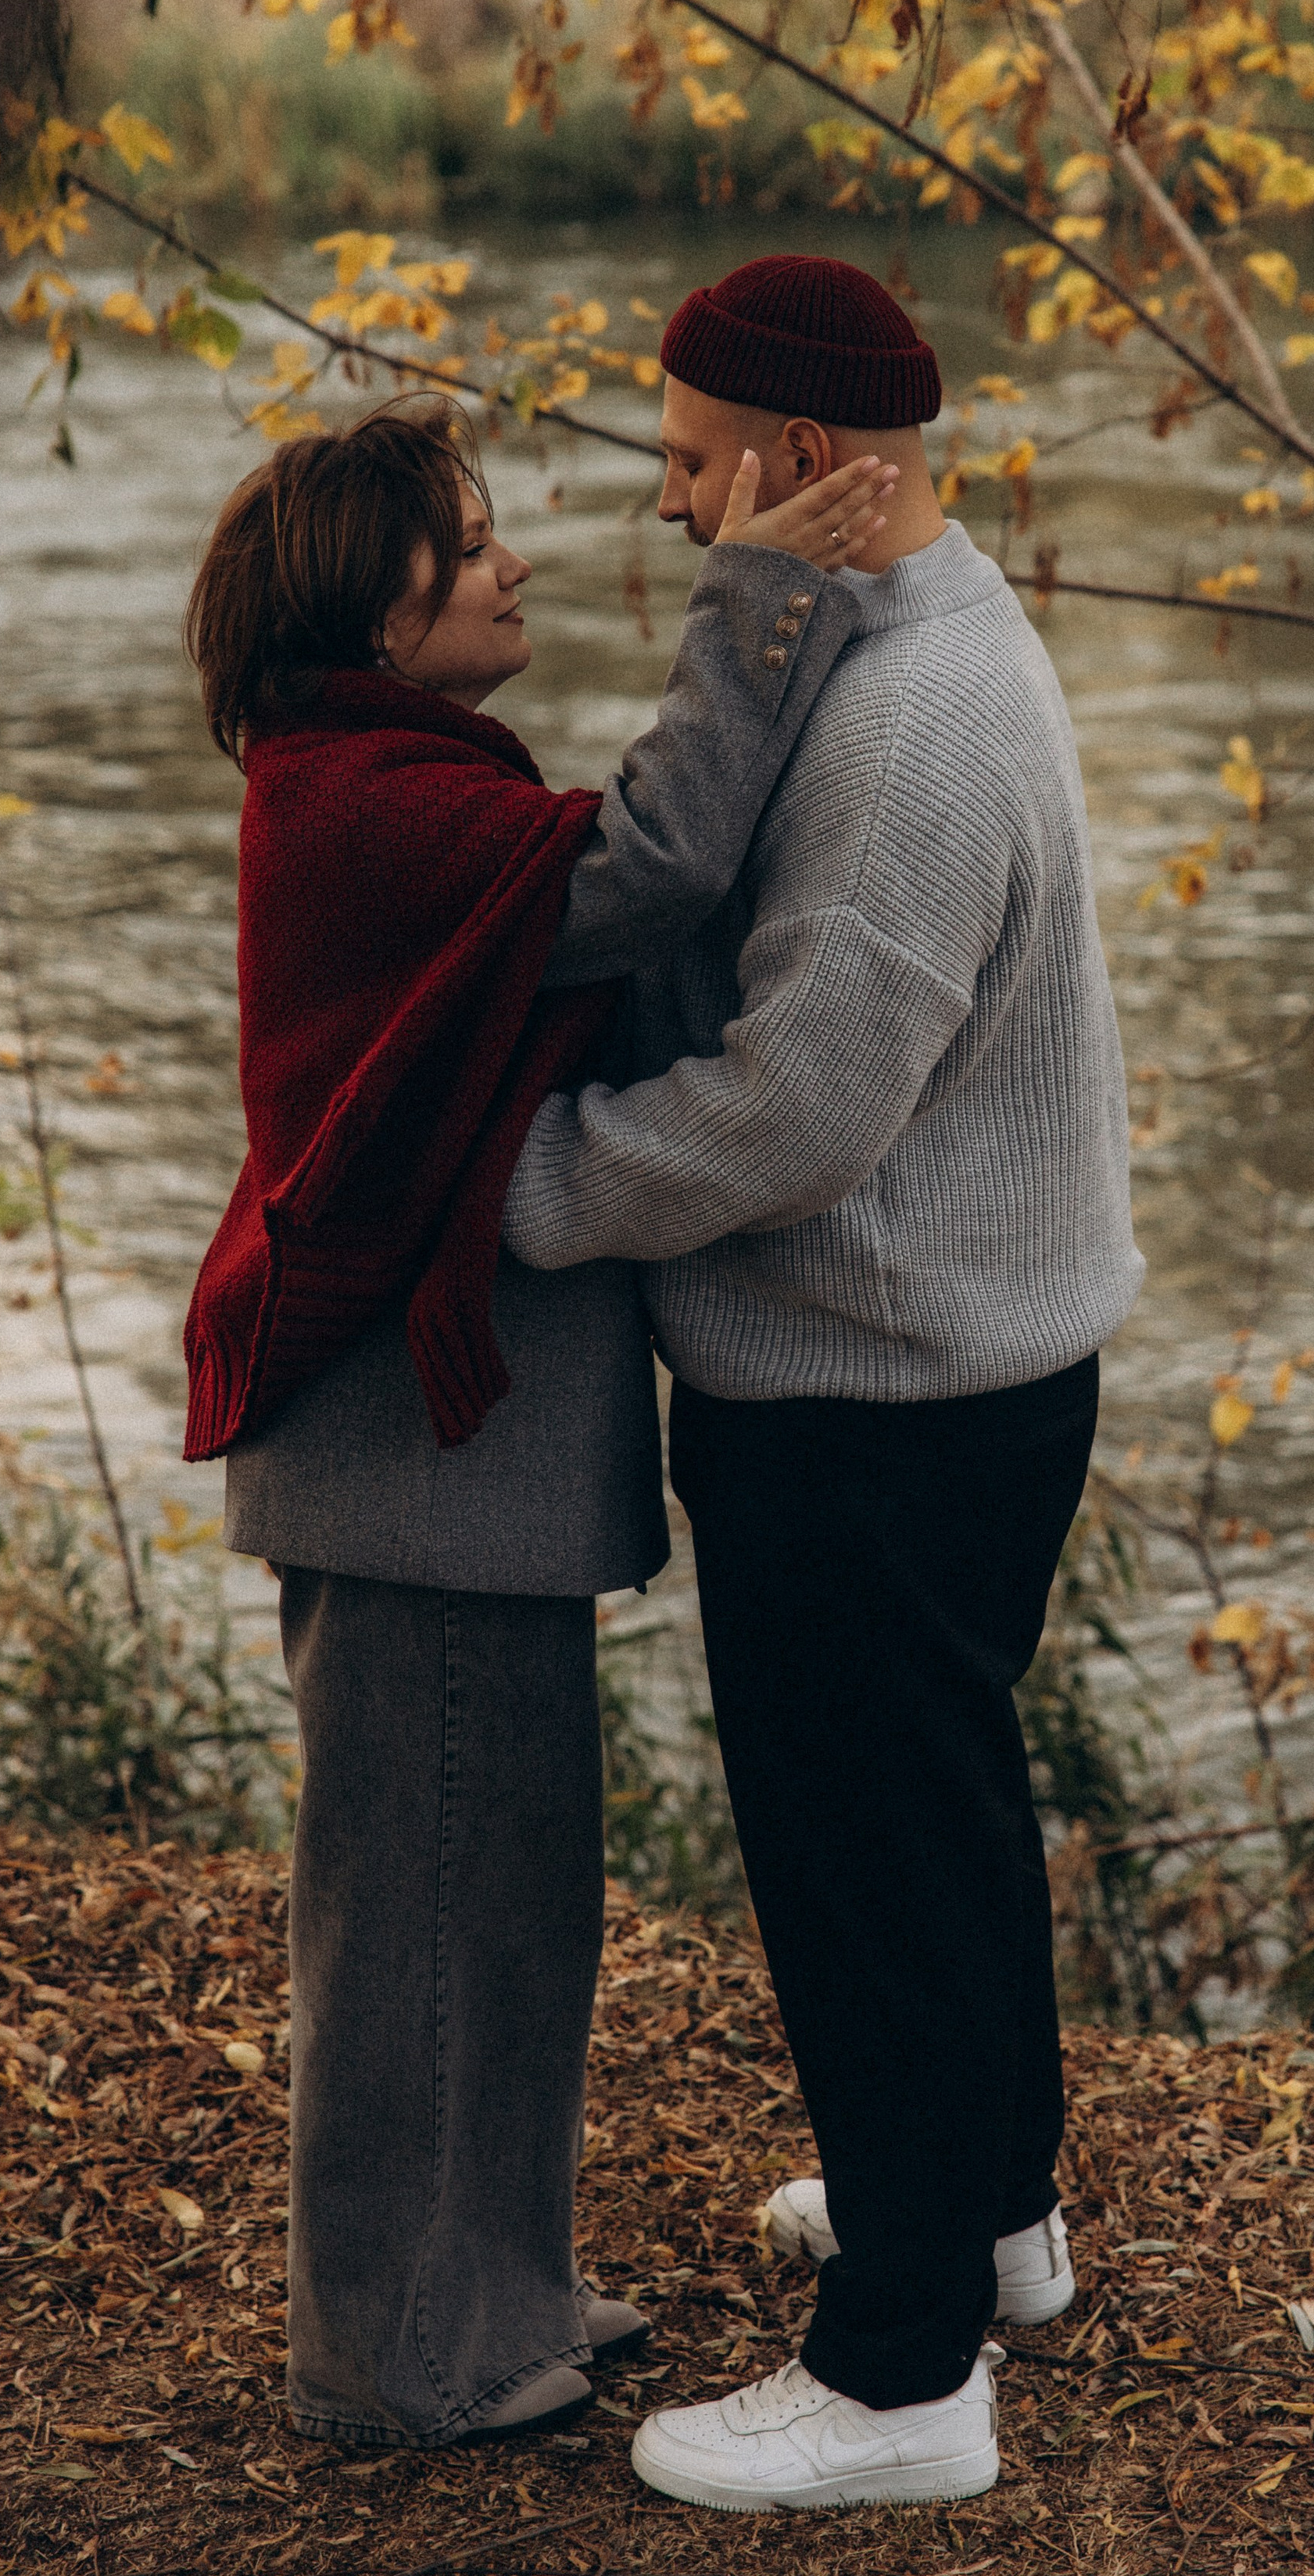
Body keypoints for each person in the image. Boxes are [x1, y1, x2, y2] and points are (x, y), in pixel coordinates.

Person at [181, 391, 896, 2451]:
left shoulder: (405, 772)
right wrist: (768, 589)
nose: (512, 561)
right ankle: (395, 2355)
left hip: (452, 1469)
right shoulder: (366, 806)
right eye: (473, 538)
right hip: (410, 1476)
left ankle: (483, 2286)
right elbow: (653, 863)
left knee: (506, 1908)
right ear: (373, 602)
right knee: (415, 1927)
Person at [503, 253, 1144, 2510]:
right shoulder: (917, 644)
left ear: (802, 464)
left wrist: (531, 1186)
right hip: (960, 1366)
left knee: (861, 1860)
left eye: (692, 462)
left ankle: (897, 2383)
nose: (669, 504)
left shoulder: (908, 726)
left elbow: (797, 1108)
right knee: (938, 1823)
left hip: (876, 1394)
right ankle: (980, 2226)